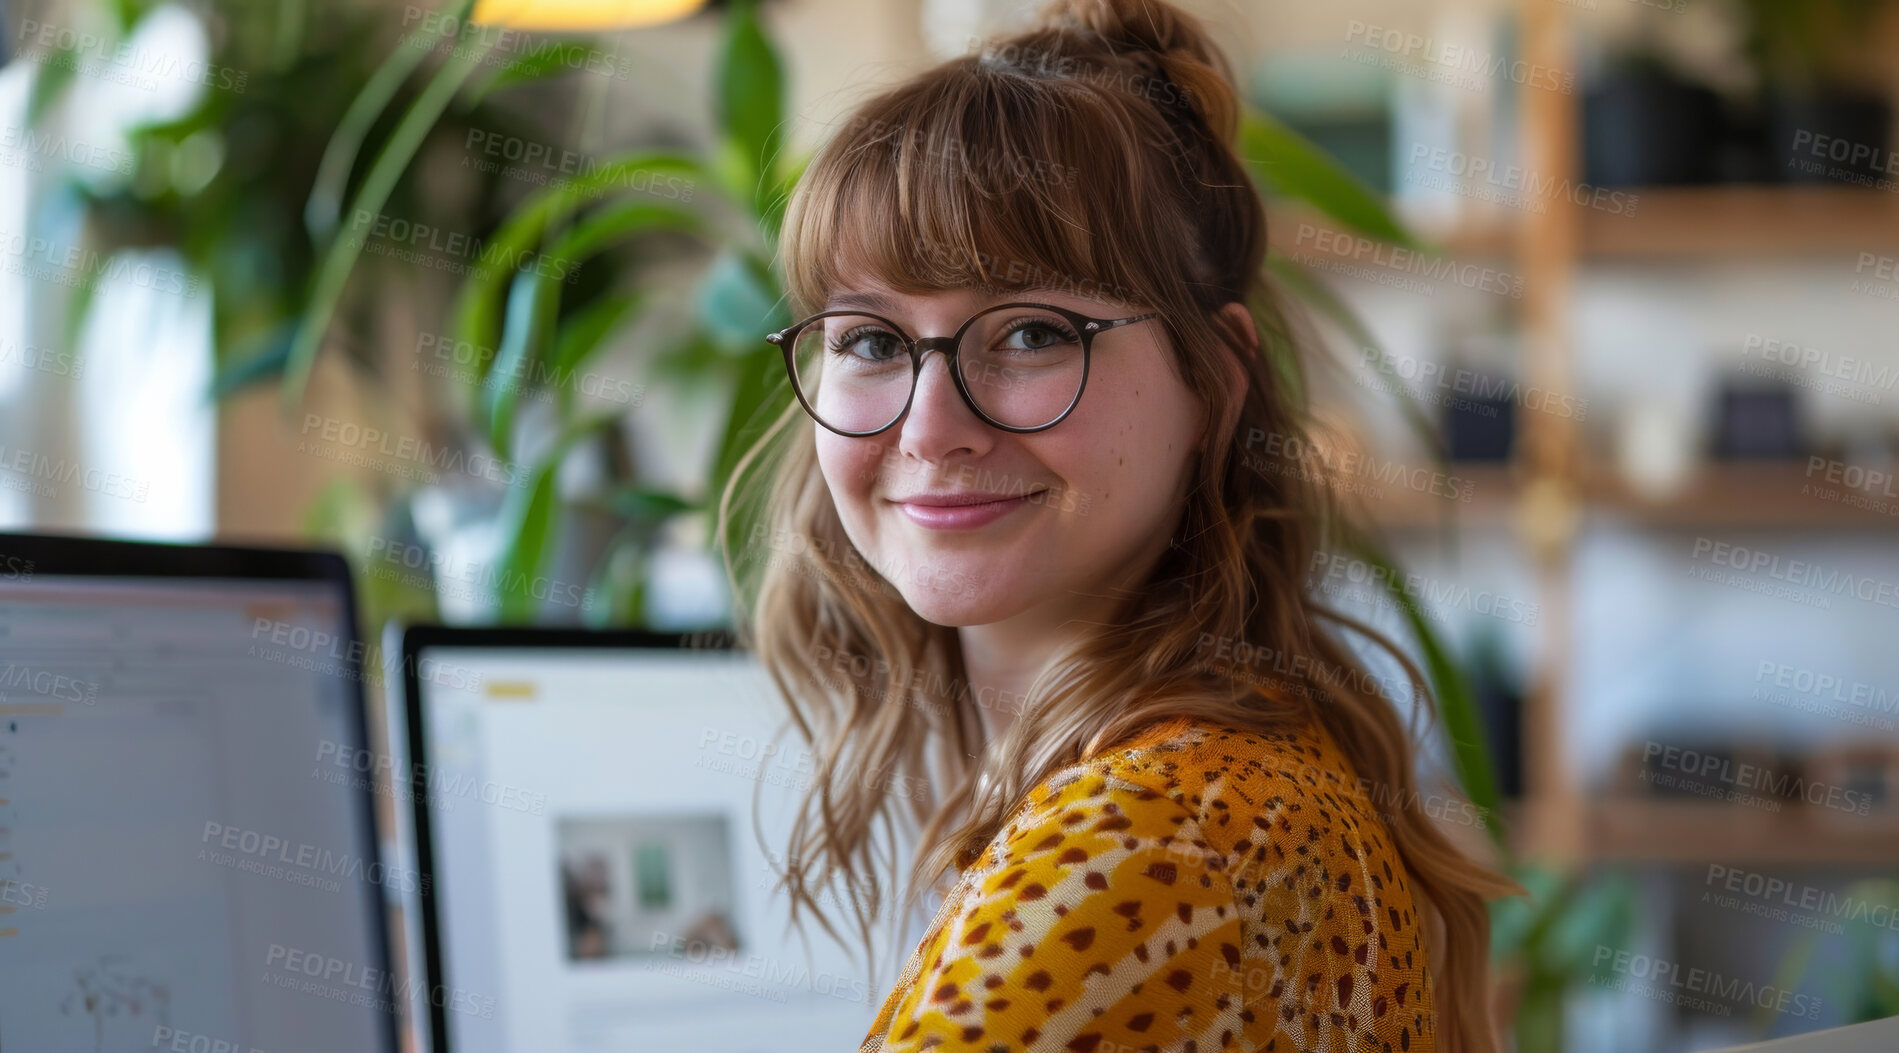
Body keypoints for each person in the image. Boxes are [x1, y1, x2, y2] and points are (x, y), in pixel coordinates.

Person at [718, 1, 1524, 1049]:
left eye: (1034, 332)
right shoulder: (1242, 766)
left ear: (1215, 385)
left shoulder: (1149, 846)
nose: (931, 428)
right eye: (870, 341)